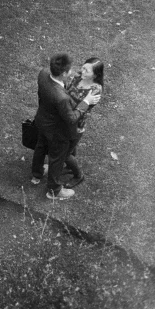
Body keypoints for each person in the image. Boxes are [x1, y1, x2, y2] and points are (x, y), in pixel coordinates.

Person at [30, 53, 101, 200]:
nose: (75, 71)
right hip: (56, 130)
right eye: (69, 70)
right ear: (64, 73)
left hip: (42, 121)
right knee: (57, 158)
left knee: (41, 146)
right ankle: (54, 191)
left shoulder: (43, 73)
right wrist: (86, 101)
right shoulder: (61, 97)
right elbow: (71, 118)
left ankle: (37, 174)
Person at [62, 57, 104, 188]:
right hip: (67, 118)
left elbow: (81, 107)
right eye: (83, 67)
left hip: (76, 124)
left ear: (95, 75)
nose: (82, 71)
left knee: (64, 154)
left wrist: (67, 104)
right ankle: (70, 167)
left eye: (87, 70)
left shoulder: (95, 90)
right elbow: (67, 91)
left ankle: (78, 175)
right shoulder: (78, 77)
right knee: (70, 147)